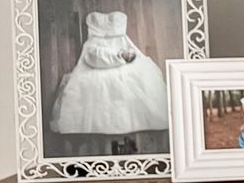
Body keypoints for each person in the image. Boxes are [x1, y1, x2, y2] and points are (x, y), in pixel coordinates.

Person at [48, 8, 169, 143]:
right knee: (92, 79)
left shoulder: (124, 49)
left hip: (121, 43)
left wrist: (123, 57)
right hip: (95, 44)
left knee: (136, 78)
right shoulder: (94, 49)